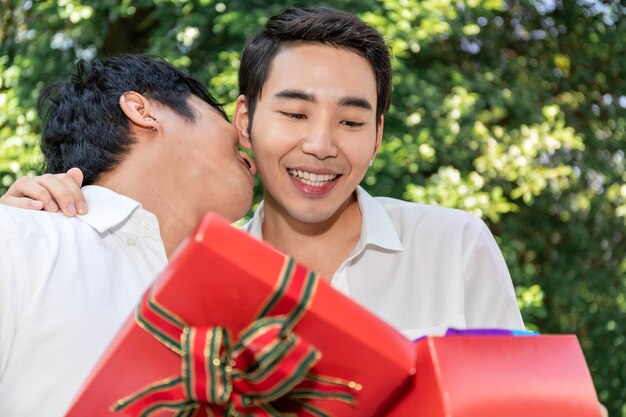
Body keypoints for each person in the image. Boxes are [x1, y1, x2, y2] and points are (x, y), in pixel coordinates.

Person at [2, 7, 523, 340]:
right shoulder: (192, 289)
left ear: (378, 136)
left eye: (351, 121)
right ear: (245, 122)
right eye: (295, 115)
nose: (320, 145)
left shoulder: (454, 245)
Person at [0, 54, 256, 416]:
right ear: (142, 110)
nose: (249, 146)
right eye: (222, 114)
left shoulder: (246, 314)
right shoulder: (19, 242)